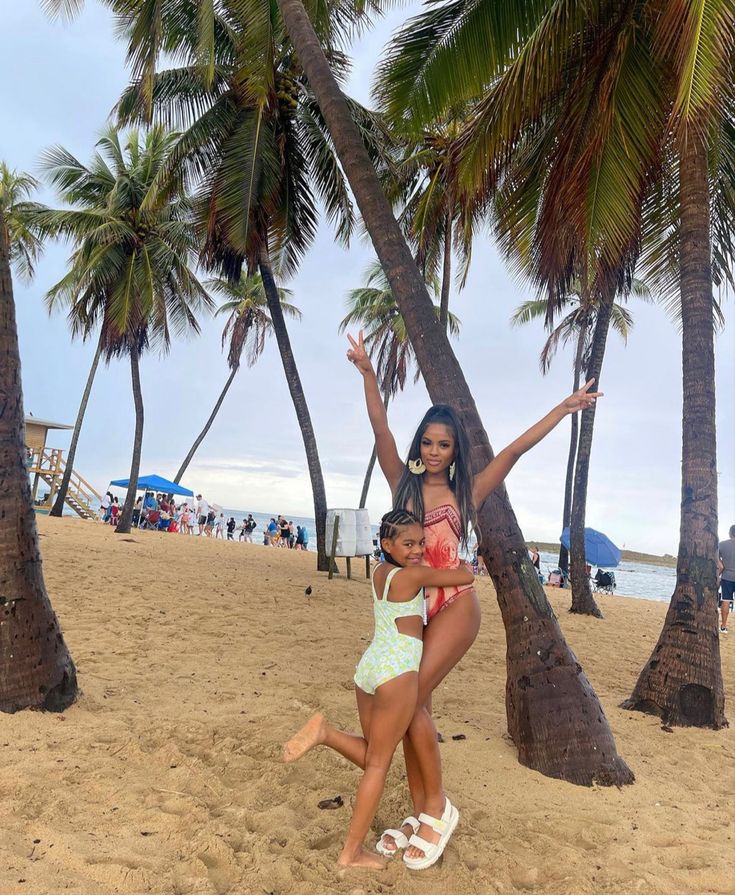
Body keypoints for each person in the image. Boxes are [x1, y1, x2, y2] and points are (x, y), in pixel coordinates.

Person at [346, 329, 601, 865]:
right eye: (428, 442)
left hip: (456, 607)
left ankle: (436, 807)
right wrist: (369, 372)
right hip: (418, 614)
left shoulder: (468, 490)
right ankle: (421, 811)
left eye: (445, 444)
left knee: (410, 701)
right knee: (418, 710)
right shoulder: (403, 487)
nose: (434, 452)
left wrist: (565, 406)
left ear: (455, 450)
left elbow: (513, 449)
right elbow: (379, 427)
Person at [283, 510, 474, 870]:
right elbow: (464, 577)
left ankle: (325, 733)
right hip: (397, 672)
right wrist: (461, 557)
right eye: (408, 543)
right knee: (378, 766)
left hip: (370, 667)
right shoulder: (413, 576)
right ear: (387, 544)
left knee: (373, 753)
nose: (417, 550)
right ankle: (351, 851)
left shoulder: (380, 573)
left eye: (421, 543)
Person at [718, 524, 735, 634]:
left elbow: (715, 556)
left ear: (730, 533)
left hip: (727, 577)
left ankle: (723, 627)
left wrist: (721, 566)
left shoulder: (722, 544)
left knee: (726, 601)